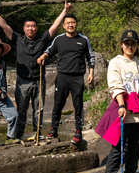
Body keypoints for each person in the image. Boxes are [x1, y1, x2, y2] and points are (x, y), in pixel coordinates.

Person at [0, 2, 69, 139]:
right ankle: (18, 134)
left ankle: (37, 133)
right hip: (22, 81)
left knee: (39, 110)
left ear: (36, 28)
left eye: (33, 26)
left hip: (39, 80)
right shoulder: (18, 39)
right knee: (21, 110)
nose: (31, 28)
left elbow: (54, 27)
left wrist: (64, 11)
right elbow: (5, 26)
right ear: (24, 28)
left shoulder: (42, 40)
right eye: (28, 26)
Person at [97, 30, 139, 173]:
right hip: (124, 110)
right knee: (118, 148)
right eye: (127, 43)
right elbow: (116, 86)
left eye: (133, 43)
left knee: (135, 148)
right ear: (122, 45)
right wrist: (122, 105)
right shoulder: (116, 62)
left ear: (137, 46)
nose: (130, 46)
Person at [39, 13, 96, 144]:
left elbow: (90, 57)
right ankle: (53, 129)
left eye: (73, 22)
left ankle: (78, 131)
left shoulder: (83, 40)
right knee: (58, 103)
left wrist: (91, 73)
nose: (71, 25)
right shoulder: (59, 39)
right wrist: (43, 56)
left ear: (76, 24)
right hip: (62, 76)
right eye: (68, 23)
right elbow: (49, 51)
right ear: (64, 25)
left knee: (78, 105)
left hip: (77, 77)